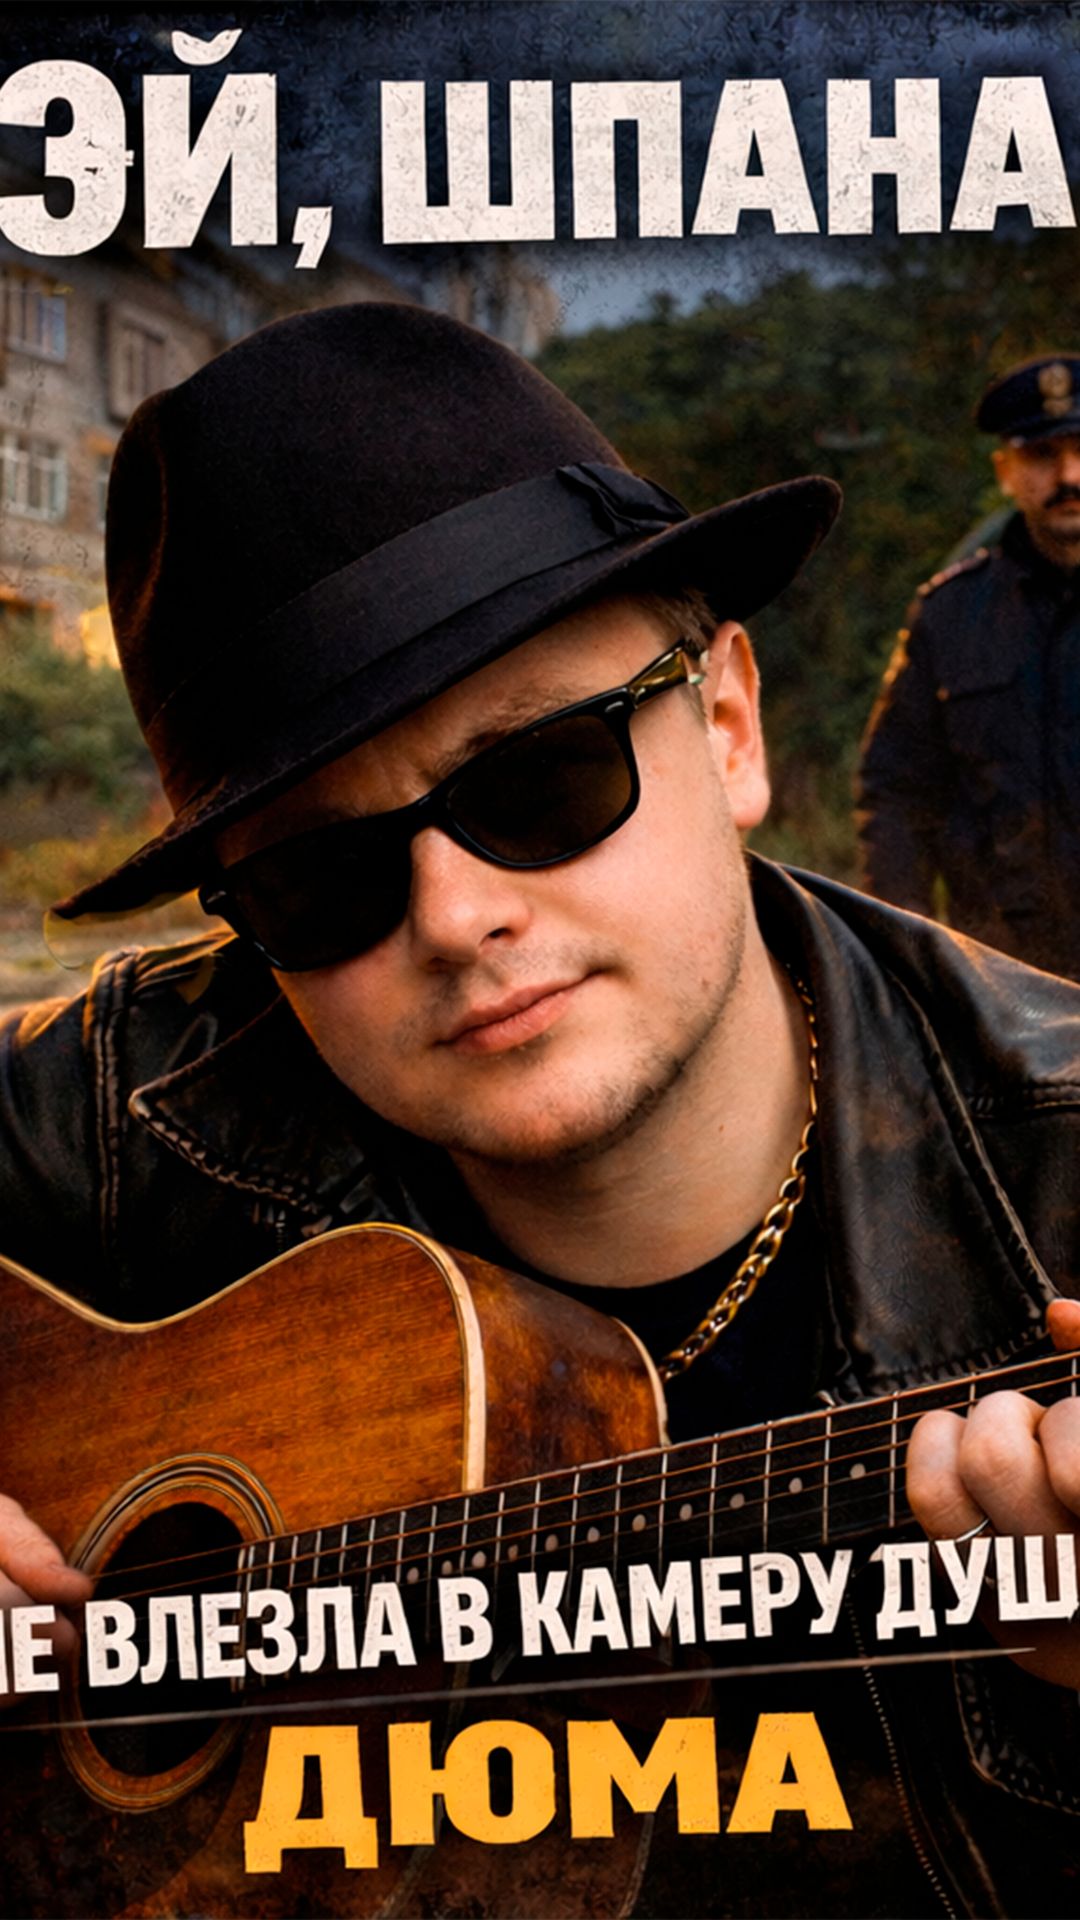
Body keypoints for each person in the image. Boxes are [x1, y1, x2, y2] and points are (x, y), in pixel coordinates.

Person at [2, 305, 1080, 1917]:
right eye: (317, 878)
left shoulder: (1058, 1166)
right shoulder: (124, 1107)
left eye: (539, 779)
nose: (455, 917)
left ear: (728, 725)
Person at [856, 353, 1080, 978]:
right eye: (1042, 455)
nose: (1069, 475)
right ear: (1005, 471)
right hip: (1003, 987)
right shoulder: (951, 617)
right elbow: (894, 794)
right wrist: (906, 959)